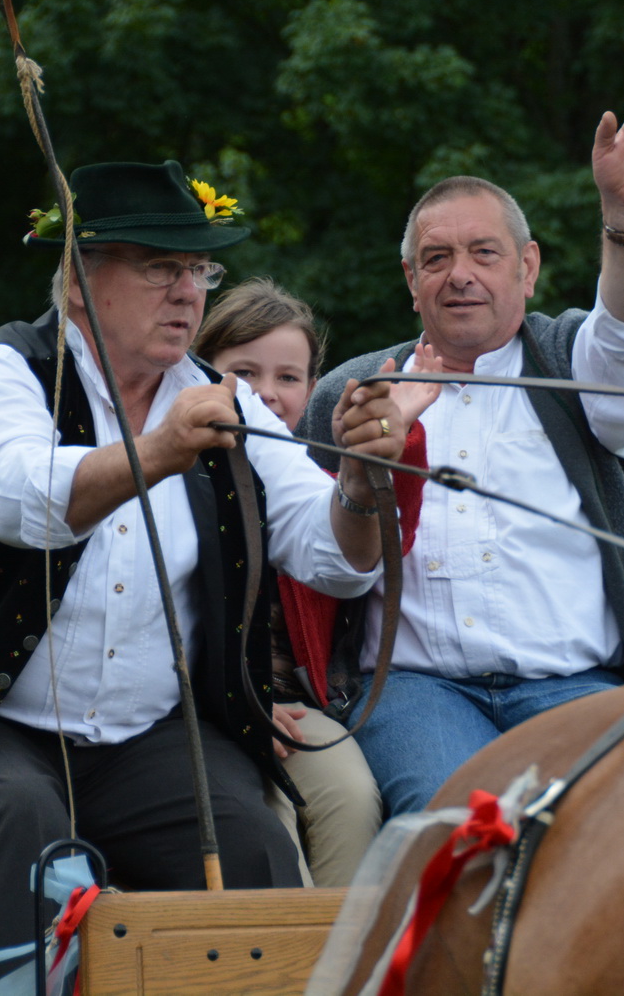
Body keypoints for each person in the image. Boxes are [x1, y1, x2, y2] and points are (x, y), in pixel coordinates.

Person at [0, 160, 409, 953]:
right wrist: (157, 450)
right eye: (159, 267)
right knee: (28, 832)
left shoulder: (226, 399)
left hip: (143, 735)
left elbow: (331, 556)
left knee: (255, 849)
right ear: (79, 280)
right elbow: (22, 499)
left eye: (199, 269)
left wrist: (357, 478)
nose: (188, 291)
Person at [297, 82, 624, 817]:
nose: (461, 274)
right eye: (437, 258)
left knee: (610, 830)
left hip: (577, 683)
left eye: (484, 252)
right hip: (417, 691)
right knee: (450, 825)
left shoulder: (573, 364)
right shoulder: (352, 391)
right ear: (412, 281)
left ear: (528, 267)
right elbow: (314, 564)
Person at [192, 276, 441, 887]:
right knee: (268, 814)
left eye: (287, 378)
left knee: (353, 797)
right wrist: (243, 703)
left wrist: (394, 441)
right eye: (244, 374)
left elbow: (382, 535)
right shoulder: (175, 471)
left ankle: (341, 963)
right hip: (198, 705)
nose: (267, 396)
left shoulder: (312, 480)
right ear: (203, 372)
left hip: (296, 706)